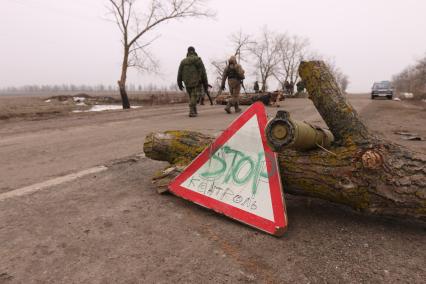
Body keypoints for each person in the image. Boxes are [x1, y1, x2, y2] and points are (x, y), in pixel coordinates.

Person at [177, 46, 208, 117]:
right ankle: (191, 111)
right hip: (196, 82)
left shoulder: (183, 61)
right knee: (195, 96)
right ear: (194, 51)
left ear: (188, 52)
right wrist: (205, 84)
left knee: (191, 96)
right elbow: (203, 72)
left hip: (187, 82)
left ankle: (194, 110)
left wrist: (179, 83)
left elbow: (179, 73)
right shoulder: (197, 60)